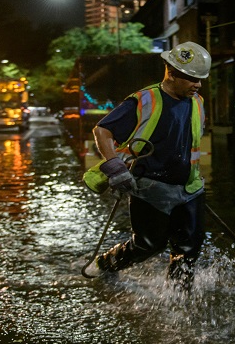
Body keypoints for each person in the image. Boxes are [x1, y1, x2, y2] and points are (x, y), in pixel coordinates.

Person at [83, 41, 211, 290]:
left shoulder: (197, 101)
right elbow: (103, 130)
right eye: (192, 78)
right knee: (148, 245)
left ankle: (178, 300)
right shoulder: (145, 100)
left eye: (201, 78)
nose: (198, 84)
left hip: (190, 188)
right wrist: (116, 168)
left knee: (189, 248)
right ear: (171, 72)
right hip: (150, 186)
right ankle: (105, 264)